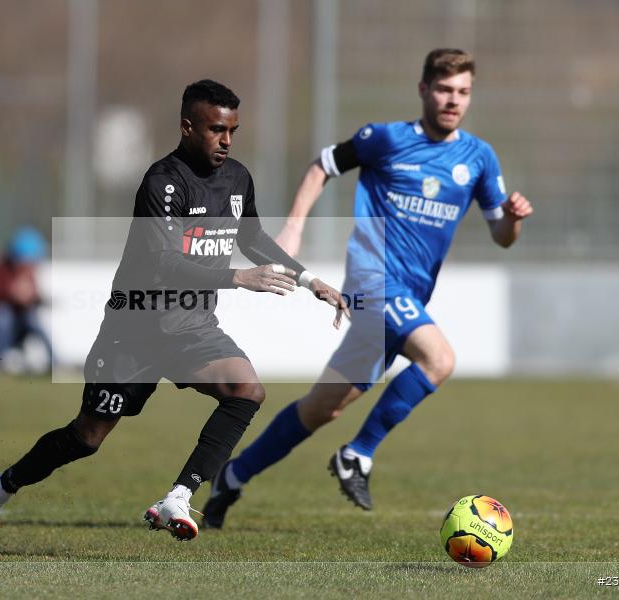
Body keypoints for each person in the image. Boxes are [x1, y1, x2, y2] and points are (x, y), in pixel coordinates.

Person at [0, 79, 348, 554]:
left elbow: (253, 238)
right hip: (134, 331)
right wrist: (237, 279)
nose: (226, 141)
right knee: (87, 436)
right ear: (187, 127)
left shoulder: (237, 178)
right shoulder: (163, 182)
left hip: (191, 328)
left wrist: (310, 282)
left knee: (247, 391)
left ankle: (178, 498)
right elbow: (164, 262)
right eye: (216, 130)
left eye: (233, 130)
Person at [202, 49, 534, 528]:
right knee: (439, 359)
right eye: (443, 89)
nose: (452, 100)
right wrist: (293, 229)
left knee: (320, 409)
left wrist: (513, 220)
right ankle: (358, 455)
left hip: (407, 297)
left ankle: (231, 477)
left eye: (462, 92)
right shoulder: (385, 139)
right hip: (372, 280)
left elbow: (502, 238)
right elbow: (321, 166)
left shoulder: (478, 158)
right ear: (424, 89)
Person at [0, 226, 54, 374]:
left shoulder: (28, 272)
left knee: (33, 319)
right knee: (1, 314)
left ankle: (55, 363)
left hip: (21, 323)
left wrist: (33, 298)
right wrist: (10, 294)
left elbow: (32, 297)